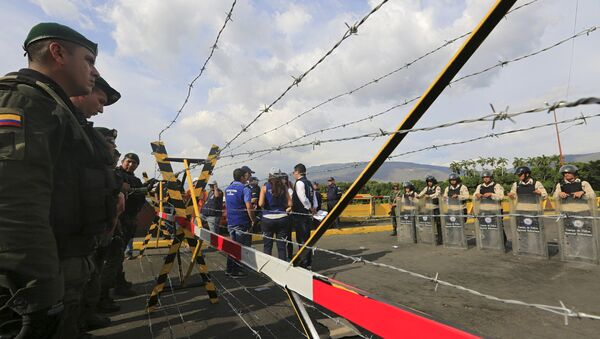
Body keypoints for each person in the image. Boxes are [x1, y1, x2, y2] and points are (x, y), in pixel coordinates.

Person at [0, 22, 99, 338]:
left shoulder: (48, 106)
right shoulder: (23, 102)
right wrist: (39, 294)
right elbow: (13, 203)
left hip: (53, 267)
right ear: (58, 52)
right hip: (28, 288)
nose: (94, 72)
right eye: (89, 60)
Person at [70, 77, 122, 333]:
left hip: (88, 235)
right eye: (100, 101)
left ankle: (86, 315)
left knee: (91, 277)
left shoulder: (77, 129)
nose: (101, 109)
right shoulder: (59, 124)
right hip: (68, 241)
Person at [225, 168, 256, 277]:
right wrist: (253, 219)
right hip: (241, 221)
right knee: (241, 247)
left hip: (231, 221)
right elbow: (248, 206)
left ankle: (229, 269)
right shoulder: (244, 188)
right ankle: (237, 270)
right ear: (242, 177)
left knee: (233, 246)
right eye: (245, 175)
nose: (247, 177)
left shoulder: (228, 188)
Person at [259, 168, 292, 260]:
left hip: (267, 218)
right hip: (282, 218)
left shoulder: (264, 187)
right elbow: (290, 203)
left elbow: (260, 204)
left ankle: (268, 268)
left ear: (269, 176)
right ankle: (282, 266)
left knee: (267, 246)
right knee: (281, 246)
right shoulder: (284, 187)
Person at [291, 163, 318, 269]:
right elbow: (314, 196)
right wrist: (314, 207)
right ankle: (308, 261)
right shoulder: (309, 183)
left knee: (301, 239)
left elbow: (303, 198)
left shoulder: (299, 183)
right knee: (306, 238)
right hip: (307, 214)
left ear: (297, 172)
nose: (293, 174)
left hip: (301, 214)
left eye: (294, 172)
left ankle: (304, 262)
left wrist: (310, 207)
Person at [473, 170, 506, 246]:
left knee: (498, 227)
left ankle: (502, 243)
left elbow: (501, 196)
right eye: (484, 177)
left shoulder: (496, 186)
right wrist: (477, 195)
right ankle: (488, 243)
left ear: (491, 177)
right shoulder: (480, 186)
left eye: (487, 177)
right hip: (484, 210)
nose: (486, 179)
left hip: (495, 210)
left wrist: (491, 194)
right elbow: (475, 195)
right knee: (485, 227)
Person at [417, 175, 442, 244]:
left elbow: (437, 194)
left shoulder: (437, 187)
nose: (429, 183)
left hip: (436, 207)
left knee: (438, 223)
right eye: (428, 182)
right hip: (428, 208)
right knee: (429, 223)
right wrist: (418, 196)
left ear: (433, 182)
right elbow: (422, 193)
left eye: (431, 181)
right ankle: (430, 237)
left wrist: (429, 196)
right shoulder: (426, 188)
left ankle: (440, 238)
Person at [281, 173, 295, 260]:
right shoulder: (281, 189)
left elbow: (292, 202)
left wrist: (289, 208)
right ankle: (285, 256)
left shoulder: (288, 189)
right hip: (283, 214)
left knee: (288, 237)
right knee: (284, 237)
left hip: (287, 214)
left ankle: (289, 256)